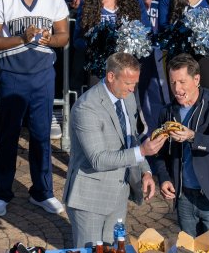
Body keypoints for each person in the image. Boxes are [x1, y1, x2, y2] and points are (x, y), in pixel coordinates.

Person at [0, 0, 70, 217]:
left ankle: (42, 192)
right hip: (12, 76)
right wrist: (21, 38)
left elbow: (64, 36)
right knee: (8, 136)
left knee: (41, 136)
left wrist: (50, 39)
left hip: (43, 76)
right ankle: (2, 192)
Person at [64, 53, 165, 248]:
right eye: (128, 83)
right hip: (89, 201)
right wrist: (142, 152)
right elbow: (98, 159)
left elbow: (132, 139)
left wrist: (145, 171)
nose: (132, 89)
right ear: (111, 76)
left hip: (118, 197)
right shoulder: (86, 107)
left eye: (135, 83)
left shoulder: (127, 97)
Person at [150, 54, 209, 238]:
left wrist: (192, 136)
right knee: (189, 248)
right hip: (184, 198)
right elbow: (159, 153)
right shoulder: (167, 112)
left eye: (182, 82)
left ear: (197, 79)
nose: (177, 89)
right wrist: (165, 178)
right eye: (173, 82)